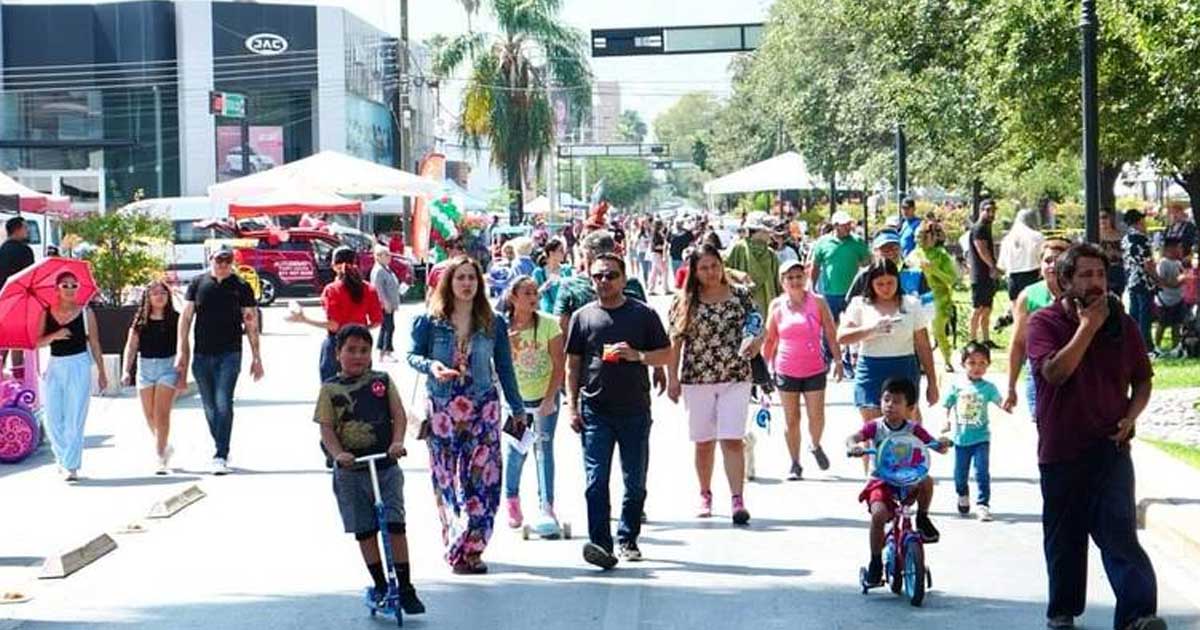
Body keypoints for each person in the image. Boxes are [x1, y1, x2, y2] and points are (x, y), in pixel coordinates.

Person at [1025, 243, 1163, 630]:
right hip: (1063, 448)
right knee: (1065, 539)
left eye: (1100, 274)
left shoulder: (1124, 323)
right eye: (1085, 275)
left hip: (1111, 447)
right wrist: (1088, 327)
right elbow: (1055, 373)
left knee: (1119, 534)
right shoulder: (1045, 323)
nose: (1096, 283)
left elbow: (1143, 380)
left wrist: (1131, 417)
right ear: (1065, 281)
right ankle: (1063, 611)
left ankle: (1139, 616)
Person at [406, 256, 525, 574]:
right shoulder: (429, 321)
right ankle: (455, 540)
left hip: (483, 408)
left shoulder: (493, 321)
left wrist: (517, 407)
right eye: (460, 278)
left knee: (483, 481)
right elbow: (412, 355)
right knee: (448, 479)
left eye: (472, 277)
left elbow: (504, 368)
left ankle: (473, 548)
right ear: (449, 282)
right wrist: (432, 366)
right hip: (443, 408)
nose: (467, 283)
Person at [565, 253, 671, 569]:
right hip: (595, 409)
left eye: (611, 275)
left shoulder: (643, 314)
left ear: (624, 279)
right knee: (595, 481)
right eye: (598, 276)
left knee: (634, 480)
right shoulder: (583, 317)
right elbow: (573, 365)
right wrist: (572, 406)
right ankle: (600, 543)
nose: (604, 281)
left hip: (635, 410)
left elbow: (666, 354)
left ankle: (628, 538)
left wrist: (637, 355)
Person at [316, 325, 425, 615]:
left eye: (364, 350)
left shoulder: (382, 381)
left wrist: (398, 441)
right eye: (351, 350)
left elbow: (398, 414)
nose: (358, 356)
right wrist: (338, 453)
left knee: (394, 524)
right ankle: (379, 583)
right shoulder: (330, 389)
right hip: (352, 471)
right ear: (338, 353)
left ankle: (405, 586)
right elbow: (326, 428)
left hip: (385, 465)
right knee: (365, 529)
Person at [665, 244, 761, 524]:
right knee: (703, 441)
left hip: (735, 375)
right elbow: (675, 341)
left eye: (715, 266)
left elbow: (757, 325)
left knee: (732, 438)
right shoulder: (685, 301)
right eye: (704, 267)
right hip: (698, 378)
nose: (711, 272)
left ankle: (737, 498)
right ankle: (705, 493)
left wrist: (756, 343)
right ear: (694, 271)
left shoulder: (740, 296)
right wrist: (672, 378)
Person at [846, 377, 949, 586]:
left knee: (927, 481)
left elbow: (933, 443)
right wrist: (853, 446)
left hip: (908, 478)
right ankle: (875, 562)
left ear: (910, 408)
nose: (890, 405)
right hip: (881, 481)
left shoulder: (913, 428)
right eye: (886, 400)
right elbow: (853, 438)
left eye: (897, 401)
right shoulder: (874, 427)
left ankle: (922, 517)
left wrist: (942, 444)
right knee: (878, 515)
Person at [177, 245, 263, 475]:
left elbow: (251, 323)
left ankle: (221, 453)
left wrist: (257, 357)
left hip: (230, 352)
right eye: (219, 260)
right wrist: (181, 351)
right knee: (209, 405)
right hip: (202, 353)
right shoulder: (197, 283)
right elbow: (185, 319)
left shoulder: (241, 286)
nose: (223, 265)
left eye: (228, 260)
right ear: (211, 259)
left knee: (224, 401)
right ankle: (221, 443)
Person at [762, 259, 844, 480]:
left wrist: (838, 360)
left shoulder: (817, 302)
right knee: (792, 419)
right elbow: (770, 339)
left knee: (816, 416)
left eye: (799, 276)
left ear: (805, 278)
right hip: (786, 368)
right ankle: (795, 463)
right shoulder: (777, 306)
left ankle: (815, 445)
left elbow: (829, 331)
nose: (795, 281)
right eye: (790, 278)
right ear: (783, 282)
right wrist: (761, 370)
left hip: (814, 367)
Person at [497, 276, 566, 534]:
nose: (533, 297)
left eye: (535, 292)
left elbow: (559, 364)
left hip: (544, 398)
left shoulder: (549, 324)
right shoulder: (501, 327)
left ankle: (546, 505)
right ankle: (512, 499)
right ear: (513, 297)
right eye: (526, 293)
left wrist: (550, 399)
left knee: (544, 450)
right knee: (517, 451)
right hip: (516, 403)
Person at [837, 259, 939, 422]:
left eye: (890, 283)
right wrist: (871, 329)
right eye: (880, 284)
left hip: (904, 367)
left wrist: (932, 383)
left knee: (905, 428)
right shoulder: (860, 304)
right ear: (871, 283)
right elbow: (842, 337)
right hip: (871, 368)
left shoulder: (911, 304)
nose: (886, 289)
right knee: (872, 429)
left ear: (898, 281)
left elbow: (923, 345)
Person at [38, 272, 107, 482]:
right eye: (65, 285)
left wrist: (102, 372)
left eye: (73, 285)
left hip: (79, 363)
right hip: (55, 364)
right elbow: (37, 341)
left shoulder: (86, 313)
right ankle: (63, 458)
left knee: (75, 417)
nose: (69, 288)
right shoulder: (46, 312)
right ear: (57, 288)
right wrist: (54, 336)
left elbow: (94, 343)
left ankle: (71, 465)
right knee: (51, 417)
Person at [289, 247, 383, 382]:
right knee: (362, 392)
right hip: (362, 344)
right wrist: (360, 329)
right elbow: (377, 321)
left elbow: (334, 325)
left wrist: (304, 319)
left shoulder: (332, 289)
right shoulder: (369, 289)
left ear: (334, 266)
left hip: (336, 345)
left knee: (332, 393)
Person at [1003, 238, 1071, 416]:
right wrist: (1011, 387)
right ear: (1040, 266)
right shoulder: (1028, 296)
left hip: (1073, 373)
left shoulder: (1078, 294)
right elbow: (1018, 344)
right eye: (1047, 260)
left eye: (1059, 260)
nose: (1052, 265)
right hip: (1038, 374)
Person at [939, 341, 1004, 522]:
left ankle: (983, 505)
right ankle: (962, 494)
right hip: (961, 440)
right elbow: (947, 405)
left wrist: (1007, 405)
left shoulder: (988, 388)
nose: (977, 367)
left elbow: (1000, 402)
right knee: (960, 474)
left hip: (981, 438)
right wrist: (946, 420)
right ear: (963, 364)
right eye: (972, 363)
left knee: (982, 471)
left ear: (988, 365)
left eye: (982, 363)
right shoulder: (957, 386)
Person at [121, 280, 181, 474]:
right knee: (149, 415)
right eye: (155, 293)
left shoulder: (175, 319)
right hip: (145, 367)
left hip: (168, 366)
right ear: (148, 297)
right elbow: (131, 346)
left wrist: (182, 372)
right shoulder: (140, 321)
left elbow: (184, 347)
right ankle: (163, 444)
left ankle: (160, 455)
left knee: (162, 414)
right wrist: (126, 371)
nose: (159, 295)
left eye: (163, 292)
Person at [809, 210, 871, 370]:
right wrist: (812, 286)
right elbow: (815, 266)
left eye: (849, 224)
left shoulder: (857, 242)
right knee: (828, 327)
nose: (848, 227)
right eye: (845, 225)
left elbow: (868, 264)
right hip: (830, 293)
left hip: (854, 293)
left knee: (852, 325)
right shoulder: (823, 243)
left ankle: (849, 361)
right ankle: (827, 360)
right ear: (835, 226)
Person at [908, 222, 958, 370]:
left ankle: (947, 360)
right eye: (918, 237)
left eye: (924, 236)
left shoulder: (942, 255)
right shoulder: (913, 254)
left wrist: (934, 270)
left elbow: (951, 279)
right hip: (919, 299)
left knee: (938, 331)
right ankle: (922, 361)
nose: (920, 240)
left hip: (939, 299)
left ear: (933, 237)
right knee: (919, 331)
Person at [0, 217, 35, 373]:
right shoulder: (25, 251)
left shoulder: (1, 250)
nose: (27, 231)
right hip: (20, 301)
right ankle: (19, 379)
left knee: (2, 342)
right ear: (17, 229)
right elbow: (30, 277)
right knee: (17, 343)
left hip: (2, 300)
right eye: (25, 228)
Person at [1122, 209, 1158, 350]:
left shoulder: (1126, 238)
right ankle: (1146, 345)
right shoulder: (1142, 239)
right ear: (1138, 222)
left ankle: (1132, 343)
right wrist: (1158, 279)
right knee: (1145, 315)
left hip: (1131, 280)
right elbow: (1147, 263)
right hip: (1144, 281)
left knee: (1134, 314)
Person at [969, 200, 1001, 349]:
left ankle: (986, 339)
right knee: (978, 309)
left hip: (987, 275)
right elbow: (981, 250)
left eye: (993, 210)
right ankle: (973, 339)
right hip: (979, 274)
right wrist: (993, 266)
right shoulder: (979, 228)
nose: (991, 213)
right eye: (988, 210)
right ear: (981, 210)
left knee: (987, 308)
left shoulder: (987, 227)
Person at [370, 246, 403, 363]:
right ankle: (386, 351)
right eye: (386, 255)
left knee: (386, 326)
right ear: (378, 257)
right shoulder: (379, 270)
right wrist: (385, 303)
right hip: (385, 304)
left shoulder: (385, 268)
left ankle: (382, 350)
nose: (389, 257)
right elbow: (378, 289)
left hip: (390, 302)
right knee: (389, 327)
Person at [1154, 238, 1185, 355]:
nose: (1181, 250)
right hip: (1164, 300)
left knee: (1176, 325)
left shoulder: (1178, 263)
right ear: (1170, 249)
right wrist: (1178, 281)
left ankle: (1175, 347)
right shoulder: (1163, 263)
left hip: (1178, 299)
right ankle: (1157, 347)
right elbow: (1161, 281)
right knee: (1162, 324)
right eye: (1179, 247)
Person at [532, 237, 571, 314]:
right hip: (546, 314)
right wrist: (546, 285)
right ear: (551, 253)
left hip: (564, 313)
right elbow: (533, 295)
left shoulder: (566, 270)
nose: (564, 253)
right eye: (560, 250)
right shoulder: (538, 272)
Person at [647, 220, 669, 295]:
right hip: (656, 254)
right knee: (664, 270)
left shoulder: (659, 234)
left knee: (654, 272)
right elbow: (656, 246)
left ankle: (651, 289)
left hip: (658, 254)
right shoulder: (655, 234)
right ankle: (665, 289)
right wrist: (665, 247)